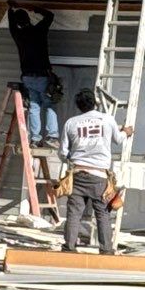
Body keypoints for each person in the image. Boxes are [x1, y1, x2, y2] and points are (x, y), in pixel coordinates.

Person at [59, 87, 131, 254]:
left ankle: (68, 248)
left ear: (78, 106)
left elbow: (63, 152)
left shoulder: (71, 122)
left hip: (77, 174)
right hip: (99, 175)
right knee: (102, 213)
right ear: (95, 103)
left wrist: (72, 160)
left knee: (74, 213)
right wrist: (126, 132)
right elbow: (119, 140)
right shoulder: (107, 119)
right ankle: (106, 250)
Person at [7, 7, 59, 146]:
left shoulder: (18, 34)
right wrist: (37, 9)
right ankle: (52, 136)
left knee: (34, 107)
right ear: (28, 19)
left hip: (27, 77)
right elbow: (50, 15)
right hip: (42, 76)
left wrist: (10, 9)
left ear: (18, 23)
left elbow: (11, 24)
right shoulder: (39, 31)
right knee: (48, 105)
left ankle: (35, 139)